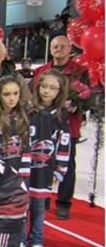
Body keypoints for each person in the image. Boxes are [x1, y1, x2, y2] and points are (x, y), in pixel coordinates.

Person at [32, 35, 91, 220]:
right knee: (41, 162)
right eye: (55, 46)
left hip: (67, 126)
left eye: (62, 47)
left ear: (70, 49)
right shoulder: (40, 70)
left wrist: (74, 105)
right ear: (50, 49)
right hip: (41, 126)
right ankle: (43, 197)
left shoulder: (80, 71)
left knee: (67, 164)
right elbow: (34, 96)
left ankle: (64, 202)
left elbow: (87, 100)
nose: (58, 49)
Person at [19, 70, 70, 247]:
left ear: (59, 91)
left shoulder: (60, 115)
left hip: (45, 168)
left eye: (52, 88)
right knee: (23, 204)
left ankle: (37, 240)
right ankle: (21, 242)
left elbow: (64, 143)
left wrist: (60, 169)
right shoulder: (26, 109)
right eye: (44, 86)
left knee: (39, 205)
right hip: (25, 166)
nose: (47, 91)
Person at [0, 76, 31, 186]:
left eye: (15, 93)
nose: (12, 98)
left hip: (22, 171)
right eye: (7, 94)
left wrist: (25, 172)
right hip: (0, 173)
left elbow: (27, 145)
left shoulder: (25, 115)